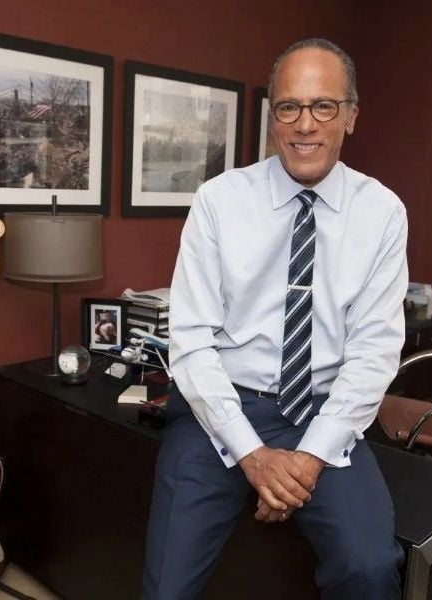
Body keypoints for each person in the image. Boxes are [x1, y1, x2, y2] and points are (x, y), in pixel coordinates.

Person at [143, 38, 408, 599]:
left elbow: (375, 352)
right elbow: (190, 340)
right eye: (288, 106)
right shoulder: (218, 201)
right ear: (272, 116)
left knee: (370, 567)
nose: (304, 124)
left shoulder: (382, 213)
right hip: (221, 408)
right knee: (166, 585)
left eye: (324, 106)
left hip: (325, 409)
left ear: (352, 116)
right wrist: (253, 455)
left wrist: (306, 461)